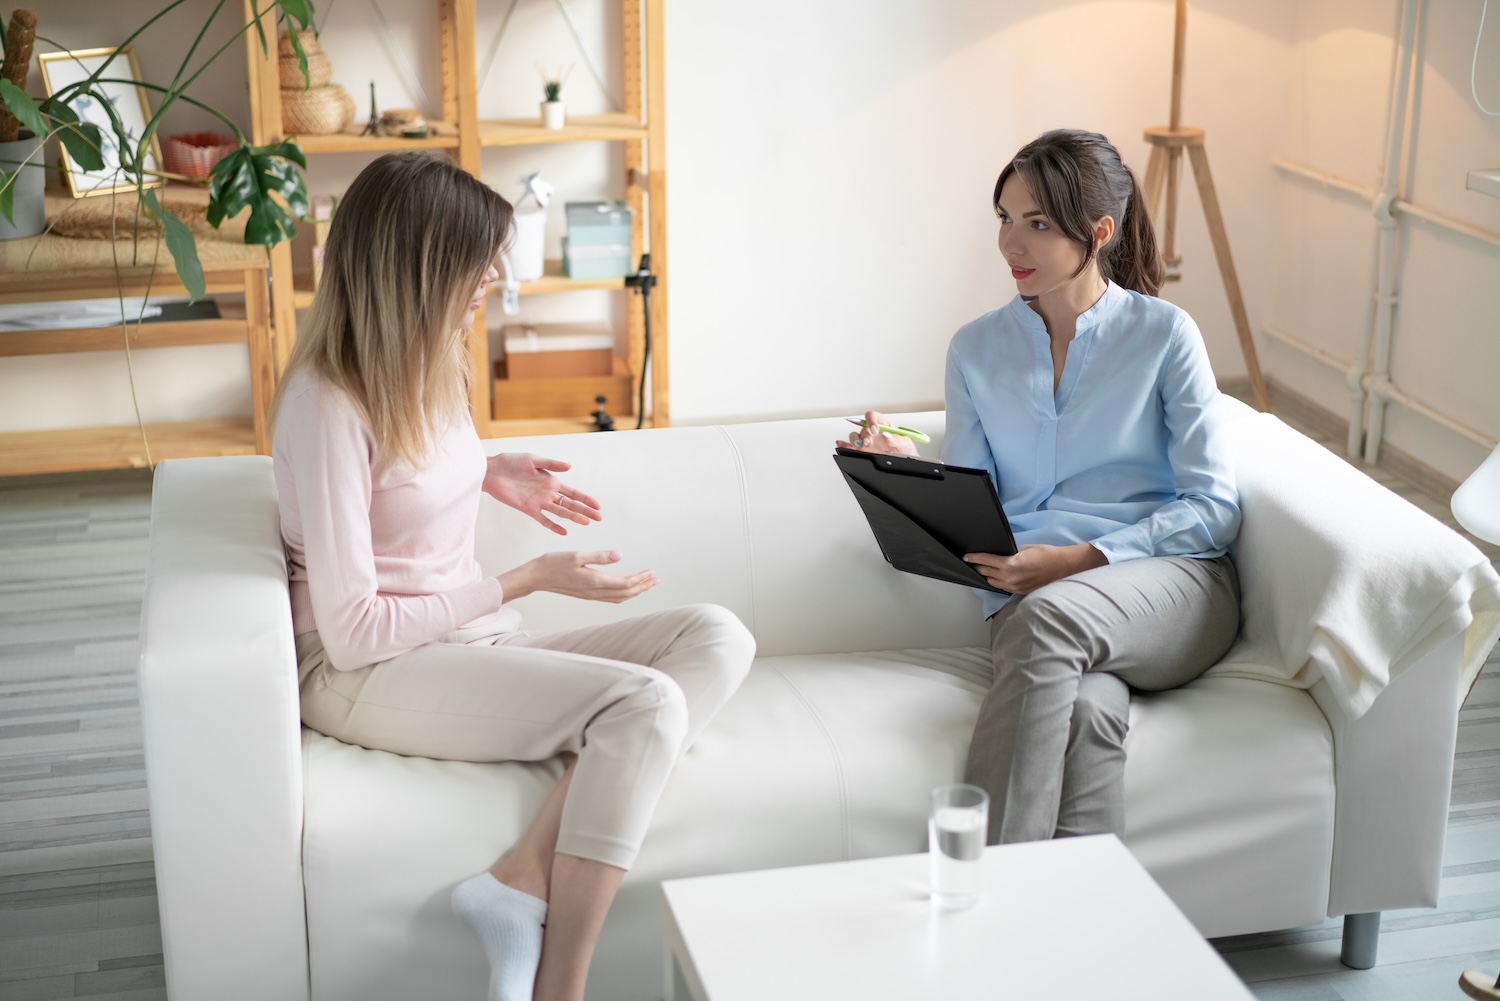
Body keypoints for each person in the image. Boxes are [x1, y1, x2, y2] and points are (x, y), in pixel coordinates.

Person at [270, 150, 755, 1001]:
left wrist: (482, 471)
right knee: (645, 703)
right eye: (477, 259)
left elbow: (400, 482)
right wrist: (525, 577)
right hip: (360, 670)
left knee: (715, 636)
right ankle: (557, 988)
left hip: (460, 642)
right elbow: (353, 631)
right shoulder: (326, 401)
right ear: (417, 266)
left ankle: (519, 876)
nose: (493, 275)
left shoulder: (431, 361)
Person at [839, 129, 1241, 845]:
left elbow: (1214, 510)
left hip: (1169, 587)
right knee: (1089, 710)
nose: (1010, 244)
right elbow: (973, 499)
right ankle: (1082, 930)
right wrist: (894, 463)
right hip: (1032, 601)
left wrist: (1078, 558)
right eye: (1004, 218)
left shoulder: (1165, 335)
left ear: (1100, 231)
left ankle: (982, 890)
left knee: (1048, 618)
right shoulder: (974, 348)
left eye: (1038, 224)